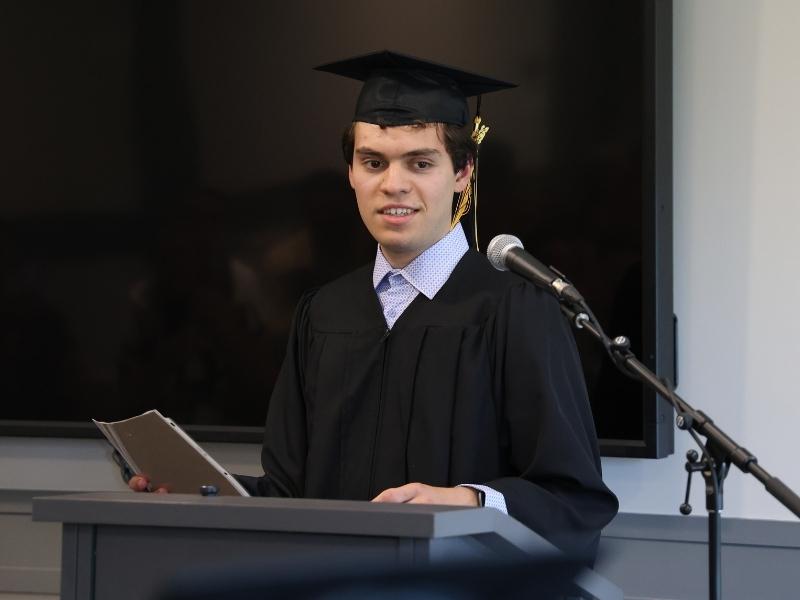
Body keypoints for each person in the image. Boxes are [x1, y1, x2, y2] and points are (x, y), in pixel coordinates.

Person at [129, 50, 618, 561]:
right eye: (373, 162)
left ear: (463, 173)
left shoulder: (516, 309)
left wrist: (466, 500)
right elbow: (291, 496)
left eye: (421, 163)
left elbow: (573, 501)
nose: (393, 185)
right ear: (351, 173)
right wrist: (203, 494)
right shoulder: (323, 315)